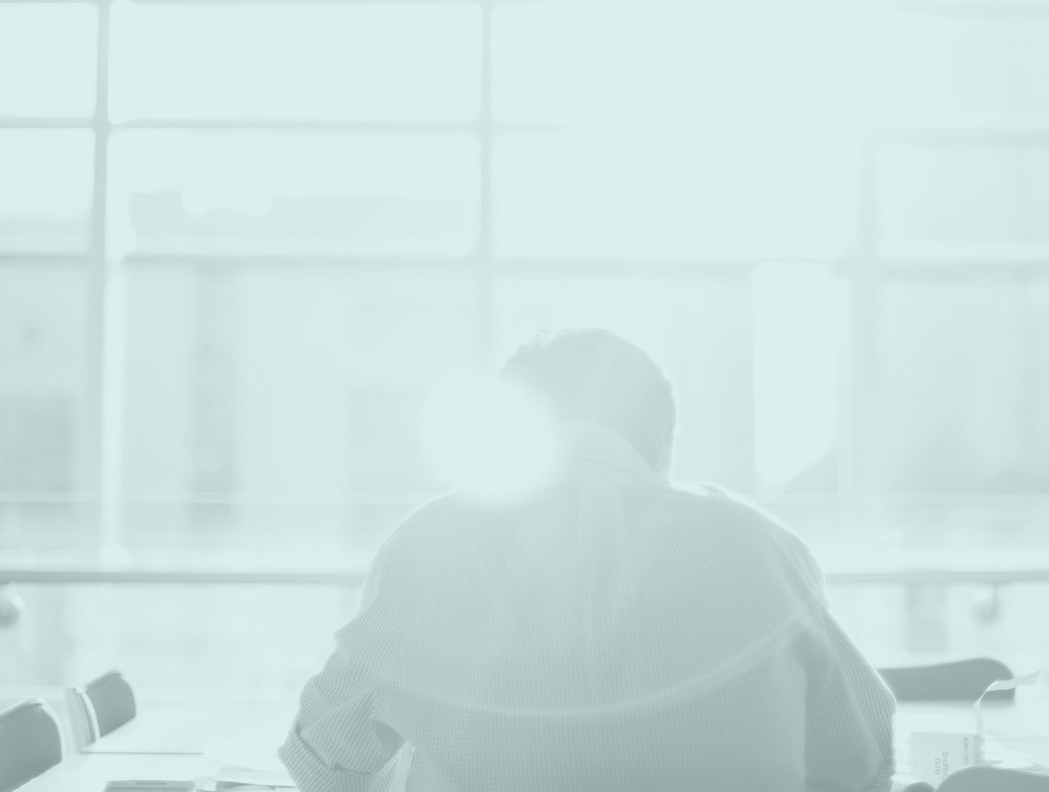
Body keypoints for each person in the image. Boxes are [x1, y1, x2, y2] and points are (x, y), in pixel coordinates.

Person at [280, 328, 896, 792]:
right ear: (663, 444)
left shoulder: (432, 542)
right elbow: (863, 757)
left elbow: (324, 761)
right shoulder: (762, 547)